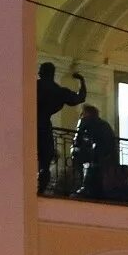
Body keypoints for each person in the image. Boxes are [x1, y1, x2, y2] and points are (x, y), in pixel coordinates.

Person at [36, 63, 86, 192]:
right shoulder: (59, 91)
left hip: (30, 126)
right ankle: (40, 190)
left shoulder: (34, 86)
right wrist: (81, 80)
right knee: (45, 162)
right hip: (45, 127)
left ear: (41, 73)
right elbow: (80, 97)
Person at [69, 105, 118, 199]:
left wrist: (74, 148)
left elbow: (78, 138)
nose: (81, 115)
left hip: (94, 155)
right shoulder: (104, 124)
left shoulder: (85, 121)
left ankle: (84, 186)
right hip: (105, 157)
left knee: (82, 162)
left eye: (82, 113)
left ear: (86, 113)